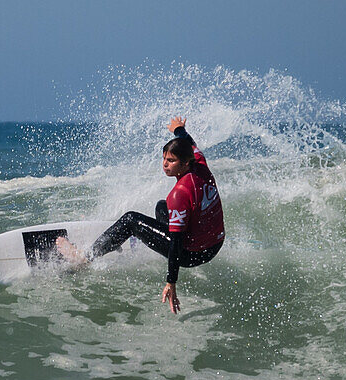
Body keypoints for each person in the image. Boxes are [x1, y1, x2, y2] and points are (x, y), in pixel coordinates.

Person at [57, 117, 224, 313]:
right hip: (214, 245)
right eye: (164, 158)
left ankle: (84, 259)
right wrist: (179, 129)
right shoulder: (200, 164)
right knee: (162, 207)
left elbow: (177, 241)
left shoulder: (180, 193)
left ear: (186, 163)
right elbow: (190, 142)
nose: (165, 164)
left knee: (131, 220)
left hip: (191, 255)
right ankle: (130, 239)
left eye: (171, 160)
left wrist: (171, 282)